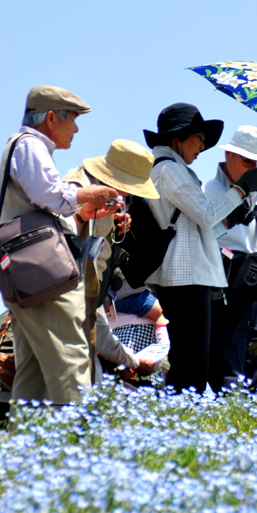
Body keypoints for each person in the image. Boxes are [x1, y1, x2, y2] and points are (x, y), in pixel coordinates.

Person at [0, 86, 119, 405]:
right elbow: (48, 194)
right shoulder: (30, 145)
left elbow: (42, 202)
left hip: (26, 271)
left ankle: (28, 446)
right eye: (73, 119)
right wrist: (89, 194)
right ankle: (76, 443)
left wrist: (82, 210)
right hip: (41, 272)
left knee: (33, 370)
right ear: (51, 118)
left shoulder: (23, 146)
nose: (76, 129)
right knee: (71, 355)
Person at [142, 103, 257, 394]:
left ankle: (179, 420)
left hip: (188, 276)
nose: (203, 145)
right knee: (190, 365)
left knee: (192, 363)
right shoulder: (170, 170)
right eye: (199, 137)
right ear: (178, 139)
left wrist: (234, 214)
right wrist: (238, 191)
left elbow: (203, 228)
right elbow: (206, 214)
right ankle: (179, 423)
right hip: (184, 277)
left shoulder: (175, 169)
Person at [64, 139, 161, 382]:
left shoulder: (107, 194)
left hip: (84, 298)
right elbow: (60, 238)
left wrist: (114, 232)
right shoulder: (78, 187)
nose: (130, 194)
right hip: (66, 297)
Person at [204, 125, 257, 393]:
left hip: (252, 289)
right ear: (229, 155)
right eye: (249, 161)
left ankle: (249, 425)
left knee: (256, 366)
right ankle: (233, 426)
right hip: (222, 288)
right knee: (227, 369)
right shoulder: (206, 192)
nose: (256, 169)